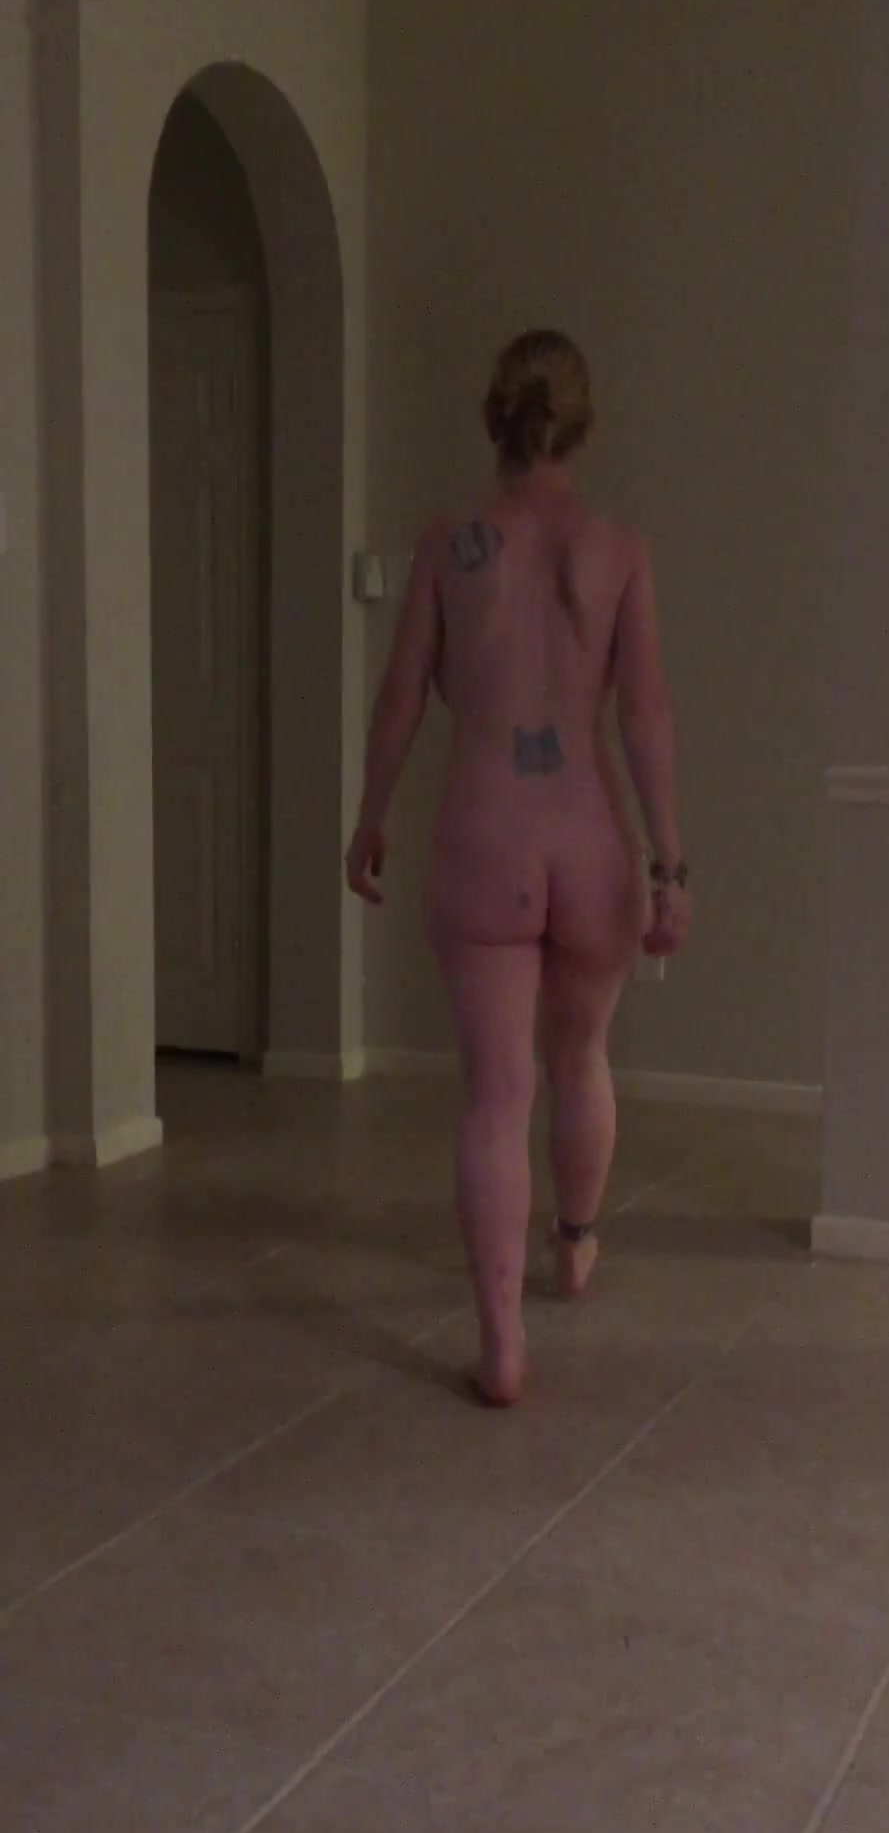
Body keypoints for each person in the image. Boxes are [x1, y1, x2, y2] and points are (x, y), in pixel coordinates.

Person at [345, 329, 690, 1405]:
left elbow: (401, 697)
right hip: (588, 836)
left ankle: (501, 1346)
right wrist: (671, 867)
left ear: (493, 418)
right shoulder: (618, 550)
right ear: (582, 426)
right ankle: (574, 1247)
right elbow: (645, 716)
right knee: (580, 1059)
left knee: (497, 1094)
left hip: (487, 833)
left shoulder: (450, 547)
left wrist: (370, 818)